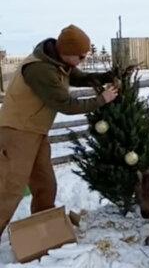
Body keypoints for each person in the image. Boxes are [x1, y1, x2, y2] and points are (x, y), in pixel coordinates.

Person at [0, 25, 119, 243]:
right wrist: (102, 100)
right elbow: (67, 105)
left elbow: (80, 77)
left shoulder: (59, 62)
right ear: (66, 51)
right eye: (80, 56)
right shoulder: (40, 70)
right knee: (10, 188)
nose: (82, 60)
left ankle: (42, 233)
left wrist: (106, 76)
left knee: (45, 184)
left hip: (35, 131)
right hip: (16, 132)